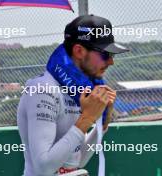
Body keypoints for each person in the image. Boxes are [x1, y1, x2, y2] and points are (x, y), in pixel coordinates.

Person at [17, 15, 129, 176]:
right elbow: (43, 168)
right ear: (79, 51)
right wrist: (87, 118)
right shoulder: (42, 89)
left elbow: (75, 161)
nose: (111, 62)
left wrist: (102, 123)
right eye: (106, 54)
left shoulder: (77, 89)